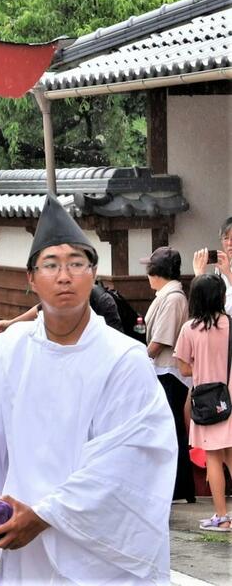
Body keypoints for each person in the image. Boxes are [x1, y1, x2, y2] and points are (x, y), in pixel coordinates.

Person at [0, 195, 175, 584]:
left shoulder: (124, 359)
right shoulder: (7, 351)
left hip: (101, 557)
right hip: (29, 550)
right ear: (31, 278)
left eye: (77, 264)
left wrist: (44, 515)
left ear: (93, 274)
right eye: (52, 265)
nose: (64, 276)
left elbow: (128, 462)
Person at [174, 274, 232, 532]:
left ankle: (222, 516)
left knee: (213, 459)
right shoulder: (230, 323)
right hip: (230, 398)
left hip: (207, 402)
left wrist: (202, 366)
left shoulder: (190, 329)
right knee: (231, 455)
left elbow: (184, 368)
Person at [142, 245, 194, 504]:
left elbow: (161, 340)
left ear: (157, 272)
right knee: (168, 429)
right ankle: (177, 487)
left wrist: (139, 358)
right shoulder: (169, 295)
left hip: (169, 372)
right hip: (164, 371)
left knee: (171, 430)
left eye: (149, 269)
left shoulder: (173, 298)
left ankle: (180, 488)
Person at [0, 282, 123, 335]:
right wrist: (9, 323)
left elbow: (116, 339)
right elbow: (40, 309)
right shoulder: (61, 298)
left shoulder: (104, 302)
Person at [193, 216, 232, 315]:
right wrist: (200, 275)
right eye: (225, 238)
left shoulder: (226, 268)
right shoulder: (222, 266)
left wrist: (228, 272)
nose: (229, 243)